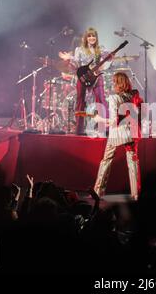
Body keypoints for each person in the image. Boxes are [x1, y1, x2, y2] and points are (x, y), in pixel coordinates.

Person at [92, 72, 143, 200]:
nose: (113, 84)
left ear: (118, 83)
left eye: (114, 81)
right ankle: (136, 194)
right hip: (132, 132)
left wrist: (100, 119)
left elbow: (114, 121)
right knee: (133, 162)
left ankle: (98, 192)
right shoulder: (134, 96)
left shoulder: (114, 98)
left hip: (118, 132)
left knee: (106, 160)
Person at [59, 27, 111, 135]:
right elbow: (76, 63)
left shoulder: (100, 49)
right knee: (80, 101)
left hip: (96, 77)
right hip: (83, 77)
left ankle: (105, 128)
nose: (92, 38)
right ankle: (79, 129)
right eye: (89, 36)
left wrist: (111, 55)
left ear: (96, 38)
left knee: (101, 99)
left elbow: (108, 56)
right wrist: (69, 58)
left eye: (93, 36)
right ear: (86, 38)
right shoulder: (79, 50)